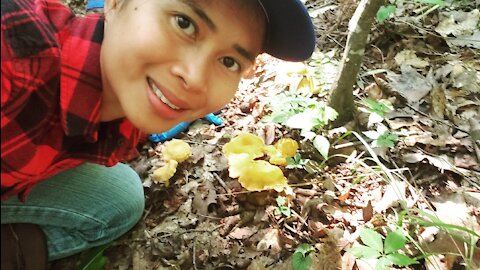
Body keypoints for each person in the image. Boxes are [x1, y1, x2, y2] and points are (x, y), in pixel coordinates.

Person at [0, 0, 315, 268]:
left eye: (228, 61)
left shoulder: (130, 106)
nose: (195, 78)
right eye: (184, 23)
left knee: (120, 201)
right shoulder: (14, 55)